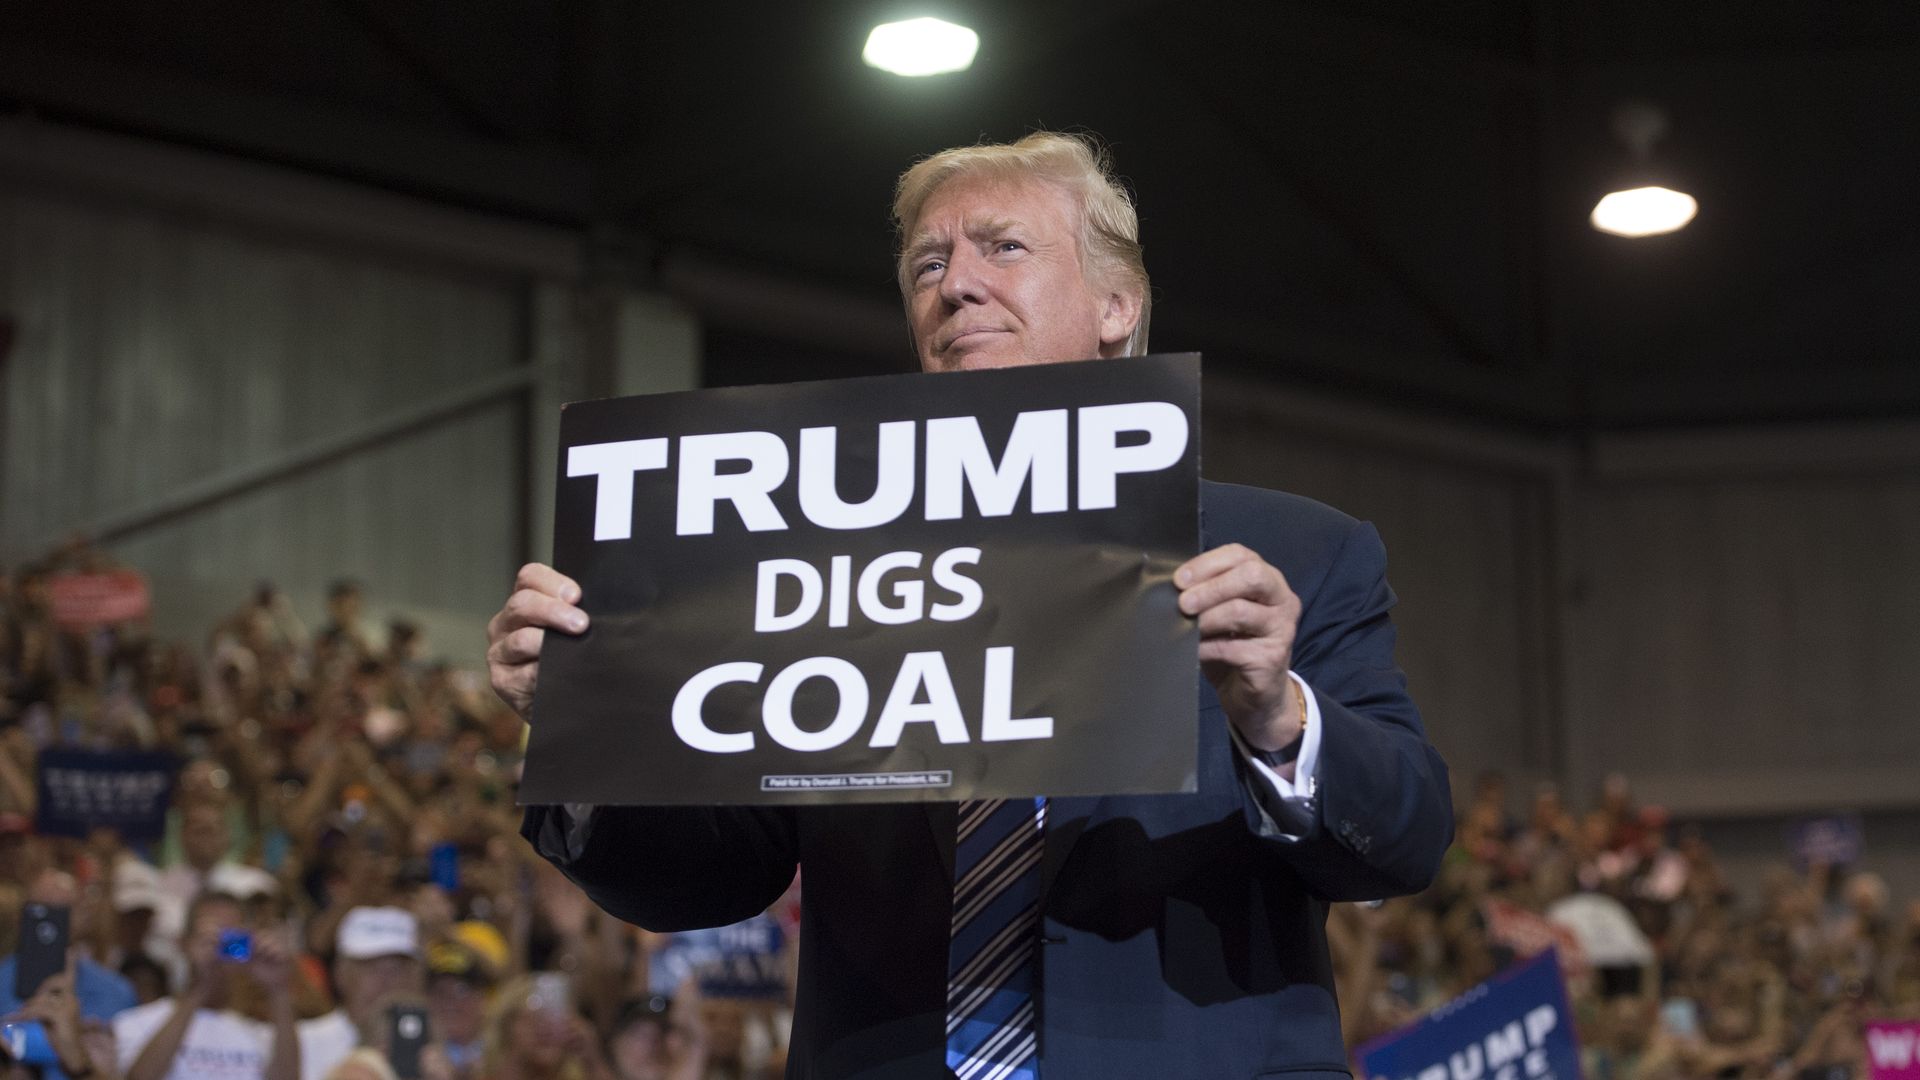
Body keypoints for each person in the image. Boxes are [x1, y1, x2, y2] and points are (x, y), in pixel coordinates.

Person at [493, 132, 1453, 1077]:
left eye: (1003, 246)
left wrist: (1277, 716)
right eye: (927, 264)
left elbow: (1403, 840)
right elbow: (710, 875)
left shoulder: (1295, 553)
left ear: (1117, 304)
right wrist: (586, 726)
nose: (954, 284)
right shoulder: (814, 559)